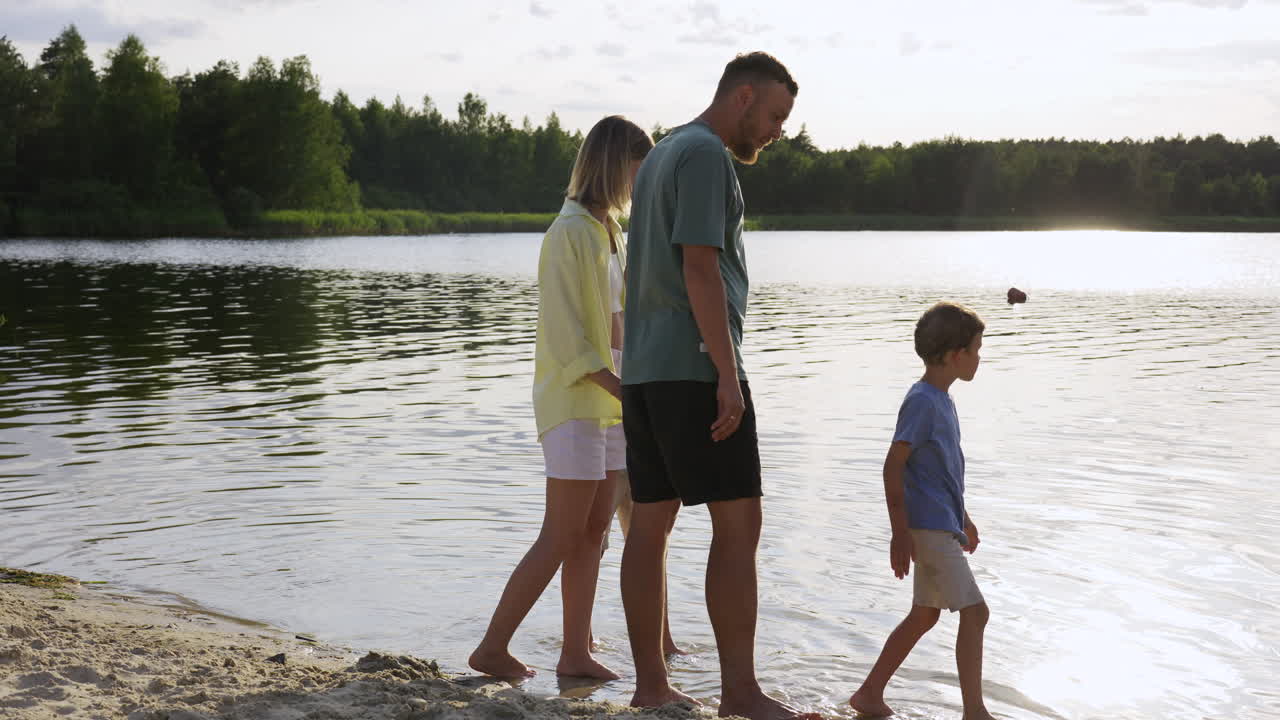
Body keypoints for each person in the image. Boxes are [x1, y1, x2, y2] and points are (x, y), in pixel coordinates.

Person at [619, 52, 813, 720]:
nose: (777, 131)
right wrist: (728, 377)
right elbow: (698, 267)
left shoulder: (665, 150)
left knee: (650, 525)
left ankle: (650, 686)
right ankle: (740, 693)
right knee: (740, 525)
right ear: (744, 97)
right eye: (776, 115)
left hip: (644, 369)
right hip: (694, 365)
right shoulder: (705, 156)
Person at [468, 115, 653, 681]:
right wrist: (622, 388)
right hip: (575, 400)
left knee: (595, 533)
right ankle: (491, 648)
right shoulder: (568, 232)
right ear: (612, 166)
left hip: (613, 402)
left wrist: (640, 387)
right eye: (637, 171)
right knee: (563, 531)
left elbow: (620, 321)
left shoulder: (609, 232)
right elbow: (568, 335)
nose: (642, 184)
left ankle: (575, 651)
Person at [849, 302, 994, 720]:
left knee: (925, 614)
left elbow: (941, 470)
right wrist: (900, 533)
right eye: (976, 349)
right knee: (976, 612)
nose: (979, 357)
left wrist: (962, 519)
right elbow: (893, 465)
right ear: (955, 355)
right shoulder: (923, 402)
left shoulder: (942, 400)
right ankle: (975, 711)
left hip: (940, 525)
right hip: (925, 529)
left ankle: (869, 694)